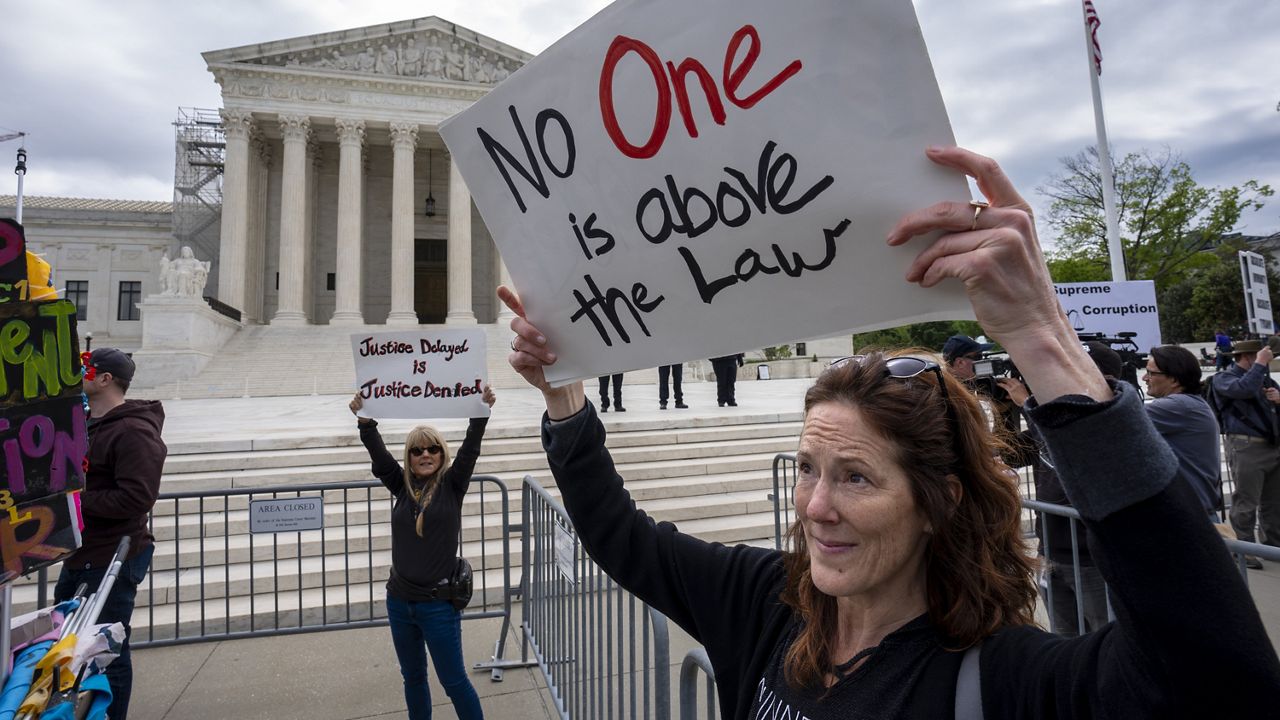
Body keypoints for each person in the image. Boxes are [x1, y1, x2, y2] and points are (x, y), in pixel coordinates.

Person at [500, 147, 1280, 717]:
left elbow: (1220, 677)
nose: (813, 506)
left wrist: (1045, 341)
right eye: (807, 468)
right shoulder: (768, 604)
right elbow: (618, 536)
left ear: (937, 499)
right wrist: (565, 401)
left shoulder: (1005, 681)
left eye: (856, 476)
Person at [349, 387, 495, 720]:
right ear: (409, 457)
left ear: (442, 454)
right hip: (399, 603)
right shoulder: (400, 486)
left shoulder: (453, 485)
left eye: (432, 449)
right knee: (412, 678)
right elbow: (378, 453)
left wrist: (481, 410)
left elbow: (472, 446)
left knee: (454, 682)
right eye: (417, 450)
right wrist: (365, 422)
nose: (425, 454)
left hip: (438, 606)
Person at [55, 348, 165, 720]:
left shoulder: (133, 429)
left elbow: (137, 497)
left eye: (86, 369)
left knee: (108, 652)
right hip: (80, 552)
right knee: (69, 647)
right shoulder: (87, 424)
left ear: (104, 379)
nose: (78, 375)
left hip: (114, 556)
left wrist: (74, 501)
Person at [997, 341, 1122, 637]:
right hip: (1052, 552)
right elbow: (1010, 452)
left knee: (1106, 637)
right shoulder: (1049, 420)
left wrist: (1030, 407)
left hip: (1093, 558)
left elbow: (1067, 453)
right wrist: (1003, 409)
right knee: (1065, 638)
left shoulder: (1110, 418)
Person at [1210, 339, 1280, 557]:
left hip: (1272, 445)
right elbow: (1243, 390)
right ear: (1248, 356)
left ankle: (1272, 547)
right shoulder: (1224, 378)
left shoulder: (1264, 378)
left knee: (1274, 502)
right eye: (1259, 357)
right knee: (1246, 502)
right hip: (1245, 445)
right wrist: (1260, 363)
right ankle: (1245, 550)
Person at [1144, 345, 1223, 516]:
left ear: (1174, 379)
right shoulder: (1190, 403)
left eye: (1151, 373)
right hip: (1194, 513)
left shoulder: (1178, 406)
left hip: (1190, 517)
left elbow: (1118, 418)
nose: (1144, 378)